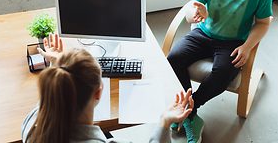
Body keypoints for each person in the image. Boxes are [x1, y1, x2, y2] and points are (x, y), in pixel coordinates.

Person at [167, 0, 273, 143]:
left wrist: (247, 47)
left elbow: (263, 23)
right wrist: (196, 13)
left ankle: (189, 108)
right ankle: (191, 115)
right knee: (172, 59)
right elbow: (190, 13)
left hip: (233, 42)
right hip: (203, 34)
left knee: (224, 71)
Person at [22, 33, 194, 143]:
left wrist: (56, 65)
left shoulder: (30, 125)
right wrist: (164, 122)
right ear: (98, 93)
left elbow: (49, 98)